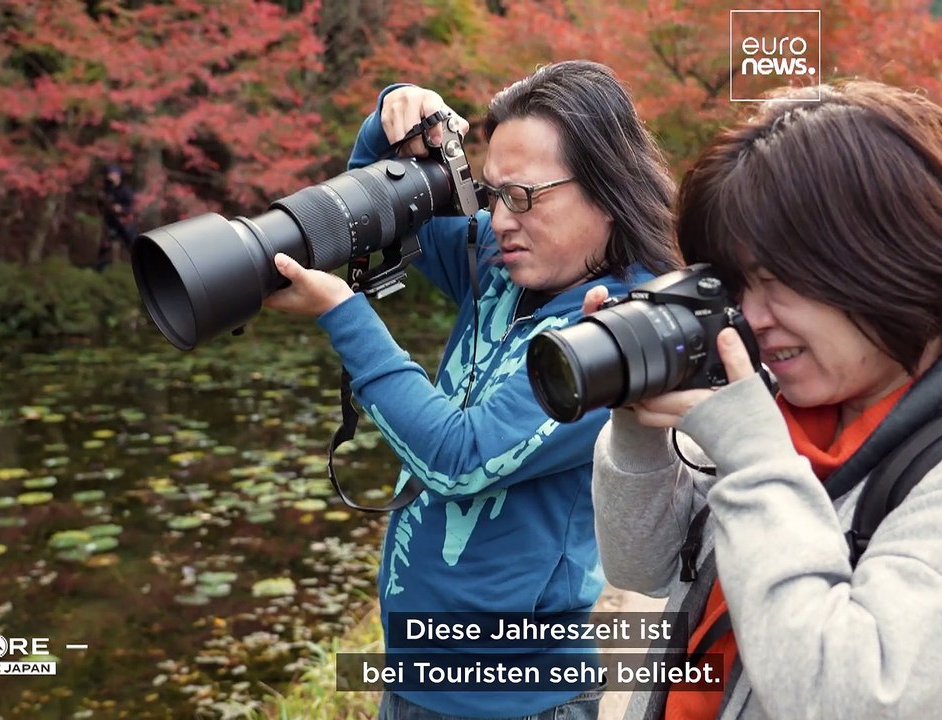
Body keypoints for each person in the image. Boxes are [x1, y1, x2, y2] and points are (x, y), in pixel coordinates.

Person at [590, 80, 942, 719]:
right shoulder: (780, 402)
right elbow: (642, 563)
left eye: (776, 281)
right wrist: (641, 425)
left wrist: (753, 459)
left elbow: (847, 699)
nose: (750, 316)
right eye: (738, 283)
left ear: (888, 261)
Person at [264, 60, 678, 718]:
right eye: (489, 194)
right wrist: (392, 121)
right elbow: (374, 209)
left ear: (606, 187)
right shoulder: (504, 265)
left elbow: (461, 459)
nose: (500, 219)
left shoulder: (621, 332)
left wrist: (342, 314)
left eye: (523, 196)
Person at [95, 163, 135, 272]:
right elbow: (100, 205)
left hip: (125, 223)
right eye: (108, 174)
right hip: (111, 222)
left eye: (112, 173)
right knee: (106, 245)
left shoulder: (125, 190)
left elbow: (132, 207)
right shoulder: (106, 189)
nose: (109, 176)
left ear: (118, 175)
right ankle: (99, 270)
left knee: (133, 246)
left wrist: (121, 209)